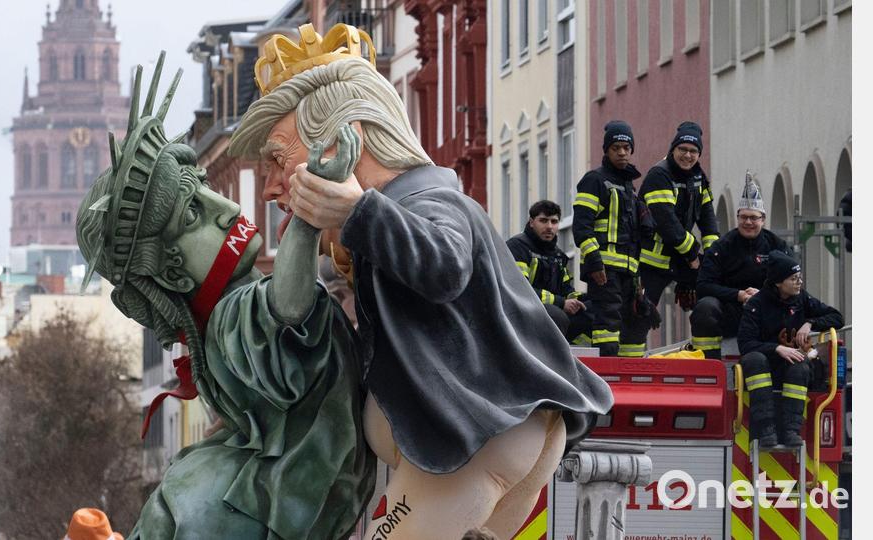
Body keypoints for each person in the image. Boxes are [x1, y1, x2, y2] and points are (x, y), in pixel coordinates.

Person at [228, 23, 613, 540]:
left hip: (472, 444)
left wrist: (358, 209)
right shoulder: (401, 214)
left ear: (347, 137)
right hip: (497, 435)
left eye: (279, 157)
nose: (273, 184)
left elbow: (444, 266)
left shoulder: (426, 201)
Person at [76, 52, 374, 539]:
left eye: (204, 192)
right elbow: (290, 303)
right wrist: (304, 219)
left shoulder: (219, 324)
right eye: (192, 215)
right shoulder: (235, 314)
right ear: (172, 271)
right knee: (183, 500)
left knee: (182, 492)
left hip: (312, 469)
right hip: (302, 481)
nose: (224, 207)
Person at [737, 250, 843, 446]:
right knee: (754, 359)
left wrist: (810, 323)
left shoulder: (801, 298)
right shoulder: (757, 305)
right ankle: (766, 428)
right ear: (778, 282)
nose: (799, 282)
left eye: (800, 278)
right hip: (763, 366)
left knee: (801, 365)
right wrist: (776, 349)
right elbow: (745, 344)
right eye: (794, 278)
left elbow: (837, 317)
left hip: (790, 365)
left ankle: (791, 430)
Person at [628, 122, 719, 351]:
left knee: (709, 303)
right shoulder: (660, 175)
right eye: (683, 150)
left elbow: (708, 218)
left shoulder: (698, 177)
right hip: (651, 262)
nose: (688, 156)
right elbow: (666, 222)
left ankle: (706, 358)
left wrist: (714, 256)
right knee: (639, 315)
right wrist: (692, 255)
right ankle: (630, 365)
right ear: (673, 149)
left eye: (693, 152)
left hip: (680, 257)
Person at [571, 120, 658, 357]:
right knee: (607, 329)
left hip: (629, 272)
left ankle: (631, 384)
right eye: (616, 147)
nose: (622, 152)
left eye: (626, 148)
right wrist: (595, 263)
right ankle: (608, 381)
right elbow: (581, 227)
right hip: (605, 270)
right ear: (606, 150)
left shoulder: (629, 186)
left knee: (634, 325)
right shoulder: (595, 180)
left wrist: (638, 277)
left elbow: (635, 237)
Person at [691, 174, 792, 359]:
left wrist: (762, 295)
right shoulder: (722, 247)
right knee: (705, 308)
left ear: (763, 219)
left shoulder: (777, 246)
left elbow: (793, 284)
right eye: (743, 217)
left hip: (767, 311)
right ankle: (709, 362)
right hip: (731, 311)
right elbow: (704, 286)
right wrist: (739, 295)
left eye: (753, 218)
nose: (748, 222)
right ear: (737, 218)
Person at [506, 200, 590, 342]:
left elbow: (567, 289)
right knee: (557, 316)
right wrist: (561, 303)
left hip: (552, 308)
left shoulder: (557, 255)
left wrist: (579, 300)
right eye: (543, 221)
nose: (549, 227)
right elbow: (520, 289)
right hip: (520, 311)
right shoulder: (517, 247)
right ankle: (553, 358)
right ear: (531, 222)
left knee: (593, 311)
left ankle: (576, 358)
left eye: (554, 221)